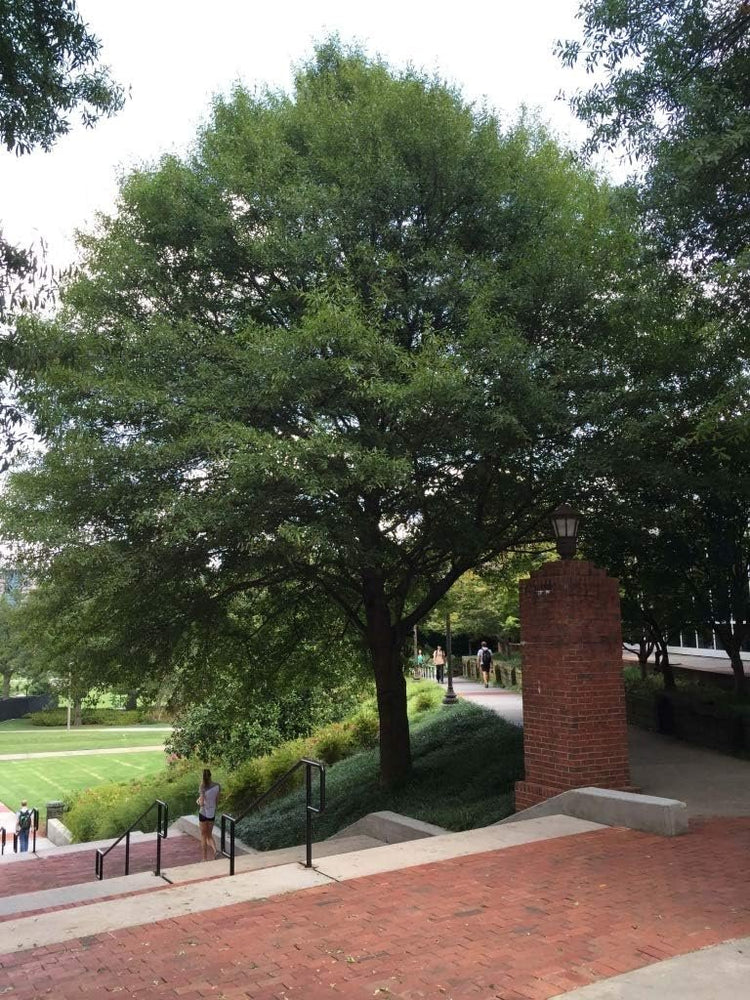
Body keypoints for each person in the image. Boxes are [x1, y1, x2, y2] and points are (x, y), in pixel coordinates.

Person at [197, 768, 221, 861]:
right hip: (212, 813)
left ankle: (204, 858)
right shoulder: (217, 786)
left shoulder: (202, 787)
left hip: (203, 813)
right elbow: (217, 801)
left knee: (203, 835)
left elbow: (202, 803)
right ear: (211, 775)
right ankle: (215, 851)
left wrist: (199, 801)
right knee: (209, 835)